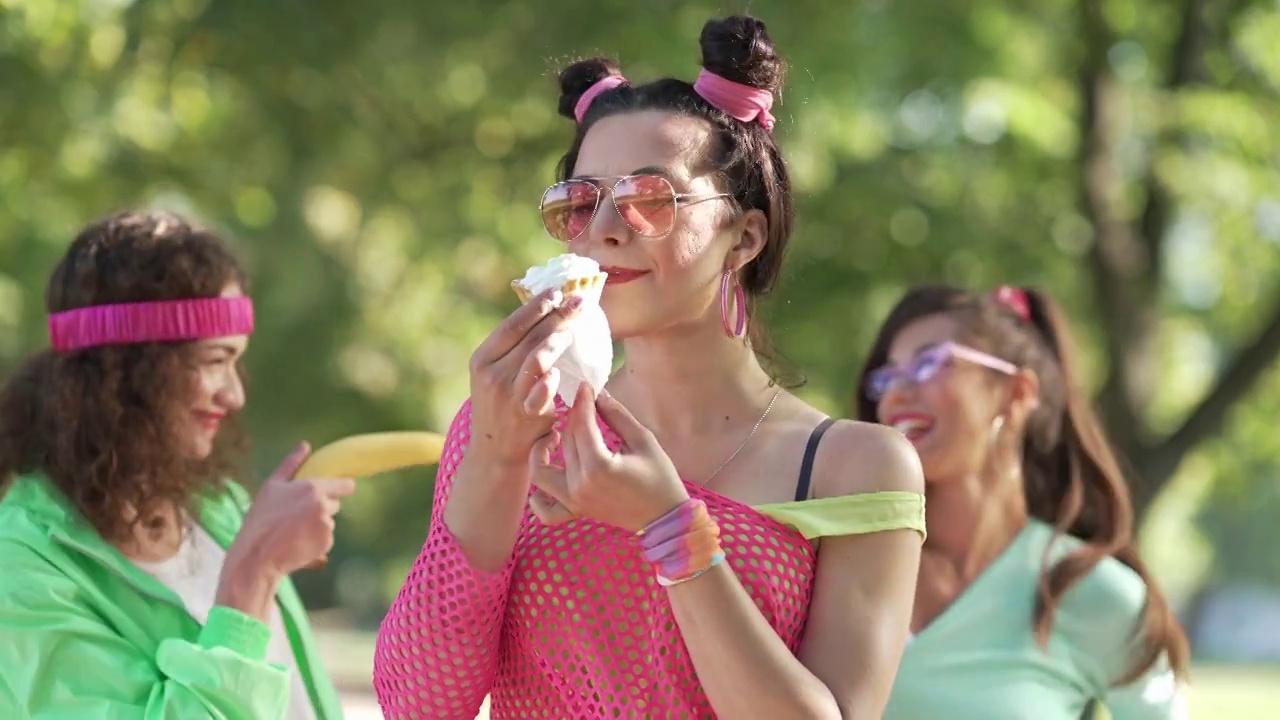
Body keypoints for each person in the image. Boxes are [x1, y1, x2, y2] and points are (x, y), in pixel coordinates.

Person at [372, 14, 927, 720]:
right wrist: (494, 454)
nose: (603, 227)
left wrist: (670, 526)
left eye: (648, 199)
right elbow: (420, 704)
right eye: (579, 200)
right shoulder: (510, 425)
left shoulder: (858, 465)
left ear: (744, 235)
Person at [0, 211, 353, 719]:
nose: (234, 395)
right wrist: (251, 576)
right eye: (213, 361)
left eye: (237, 362)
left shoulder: (213, 506)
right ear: (129, 369)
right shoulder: (22, 571)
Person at [854, 284, 1191, 720]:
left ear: (1017, 394)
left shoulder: (1096, 594)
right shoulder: (842, 566)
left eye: (928, 363)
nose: (895, 395)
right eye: (887, 376)